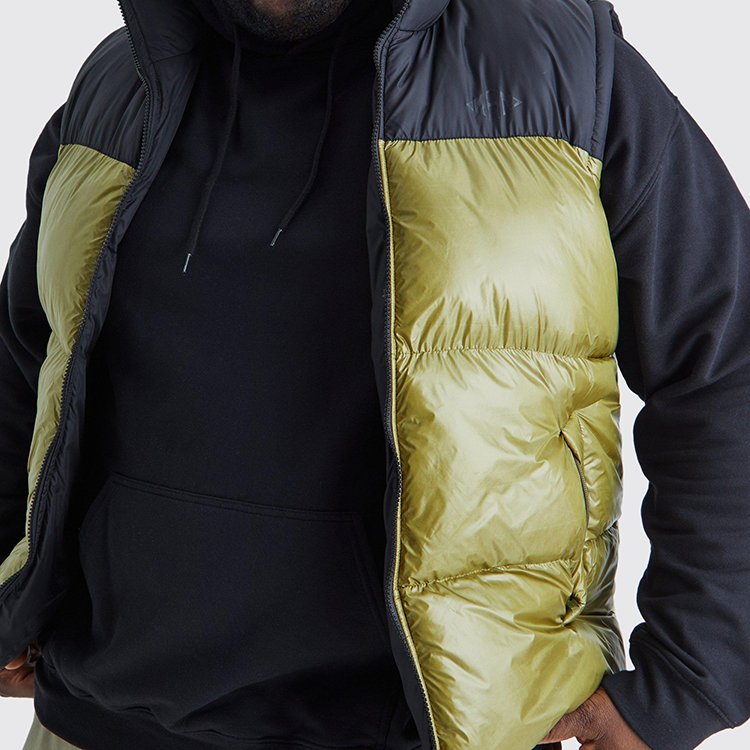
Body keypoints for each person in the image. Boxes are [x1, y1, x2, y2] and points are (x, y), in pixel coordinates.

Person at [1, 0, 749, 748]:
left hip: (437, 730)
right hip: (93, 723)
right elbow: (25, 357)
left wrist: (688, 676)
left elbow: (723, 356)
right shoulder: (120, 82)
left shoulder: (562, 73)